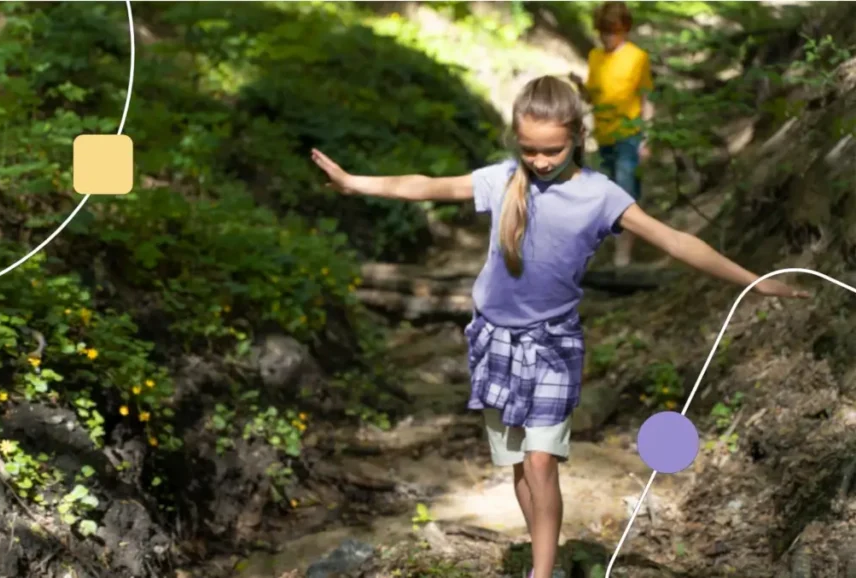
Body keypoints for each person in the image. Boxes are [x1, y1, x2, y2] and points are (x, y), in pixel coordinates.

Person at [310, 75, 809, 577]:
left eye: (552, 150)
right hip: (494, 341)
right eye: (530, 150)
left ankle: (542, 572)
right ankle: (538, 551)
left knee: (543, 460)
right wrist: (355, 183)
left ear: (577, 138)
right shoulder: (503, 179)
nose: (541, 161)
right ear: (516, 141)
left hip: (552, 344)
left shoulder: (600, 196)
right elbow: (426, 186)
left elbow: (676, 241)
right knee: (519, 465)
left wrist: (757, 280)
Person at [582, 1, 654, 268]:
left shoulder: (637, 57)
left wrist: (647, 137)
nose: (607, 37)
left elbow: (647, 97)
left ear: (624, 29)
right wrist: (580, 89)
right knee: (605, 194)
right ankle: (609, 248)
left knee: (625, 193)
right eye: (603, 31)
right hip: (603, 135)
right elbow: (592, 96)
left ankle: (623, 255)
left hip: (629, 134)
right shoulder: (595, 57)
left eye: (612, 31)